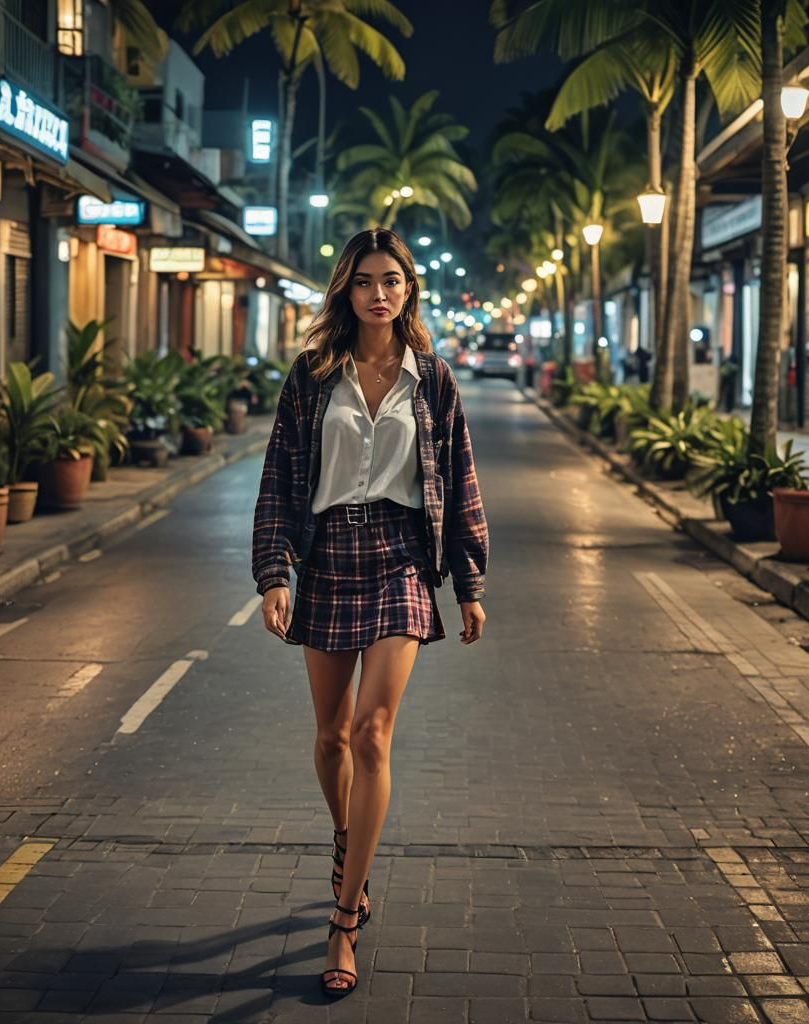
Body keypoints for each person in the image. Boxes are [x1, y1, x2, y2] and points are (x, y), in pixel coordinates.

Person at [251, 228, 489, 998]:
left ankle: (344, 915)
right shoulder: (313, 375)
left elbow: (460, 478)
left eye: (391, 280)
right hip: (327, 556)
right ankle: (347, 839)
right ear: (345, 290)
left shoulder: (433, 379)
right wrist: (274, 573)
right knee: (330, 738)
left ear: (408, 289)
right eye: (363, 281)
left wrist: (469, 582)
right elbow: (281, 475)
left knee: (371, 731)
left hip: (400, 557)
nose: (378, 294)